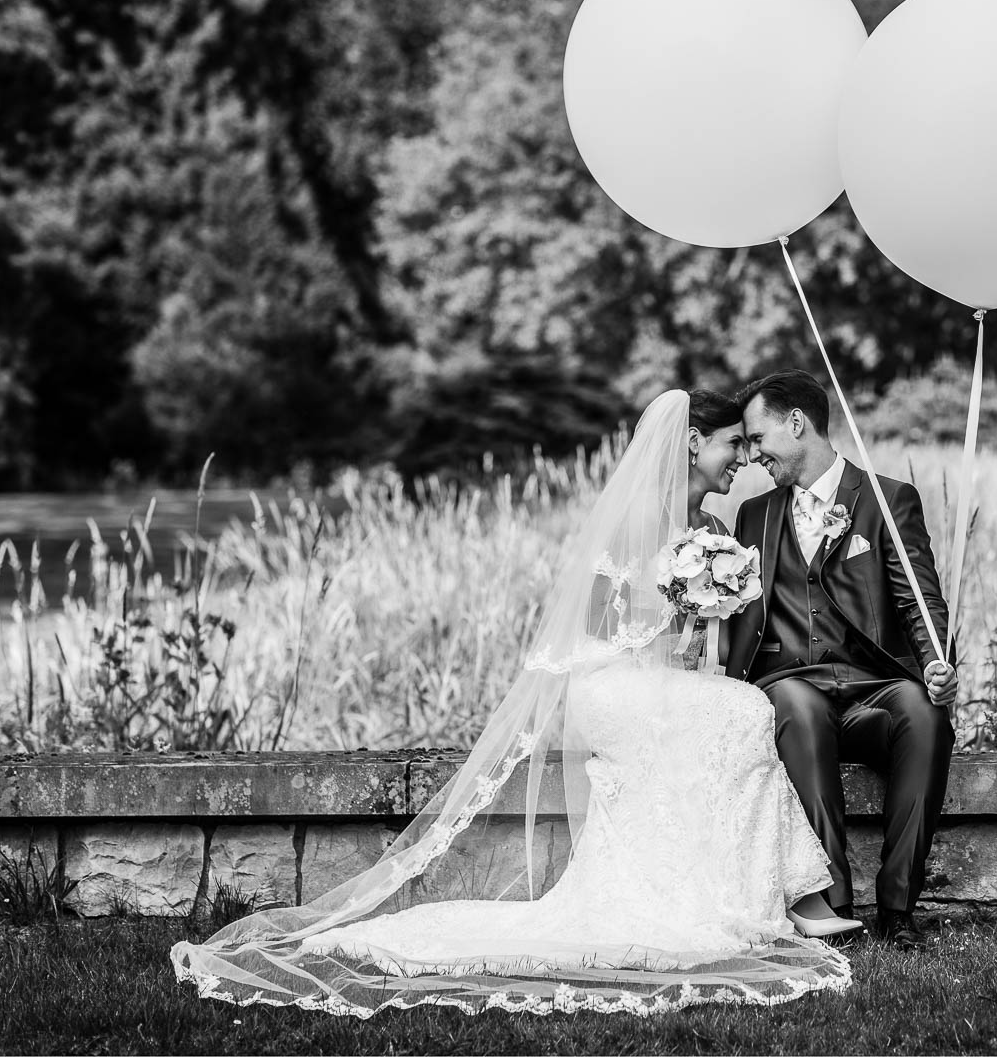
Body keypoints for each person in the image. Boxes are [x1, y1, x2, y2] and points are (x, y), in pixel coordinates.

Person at [171, 389, 856, 1019]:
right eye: (734, 444)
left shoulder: (710, 520)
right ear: (691, 444)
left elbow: (694, 642)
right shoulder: (635, 514)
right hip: (609, 683)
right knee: (738, 712)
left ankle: (739, 898)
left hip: (660, 681)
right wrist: (681, 598)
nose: (744, 458)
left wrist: (713, 601)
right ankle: (794, 899)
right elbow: (595, 628)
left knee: (738, 709)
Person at [728, 369, 958, 951]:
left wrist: (937, 663)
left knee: (924, 714)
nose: (754, 456)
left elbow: (917, 598)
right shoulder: (753, 515)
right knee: (796, 705)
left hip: (873, 686)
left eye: (758, 439)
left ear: (797, 424)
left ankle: (899, 906)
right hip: (793, 683)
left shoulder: (887, 500)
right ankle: (831, 901)